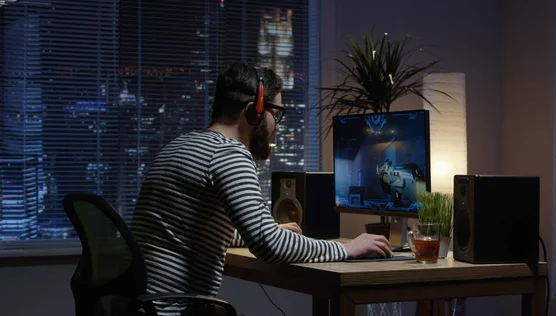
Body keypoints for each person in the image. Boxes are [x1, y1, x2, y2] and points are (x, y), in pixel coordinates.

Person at [130, 62, 392, 313]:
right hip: (174, 311)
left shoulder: (181, 146)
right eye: (276, 115)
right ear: (253, 111)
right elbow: (269, 246)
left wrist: (264, 230)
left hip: (142, 307)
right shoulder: (227, 154)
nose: (277, 126)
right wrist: (346, 248)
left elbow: (193, 228)